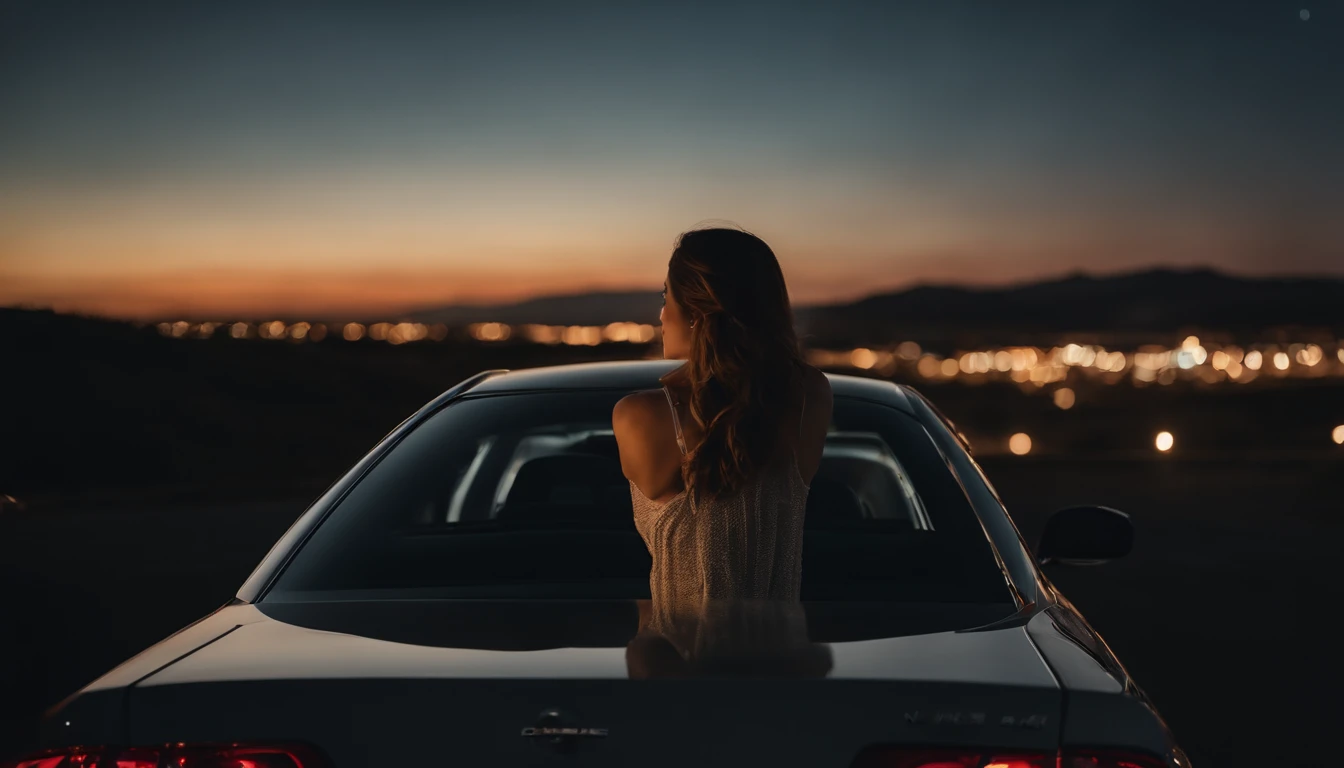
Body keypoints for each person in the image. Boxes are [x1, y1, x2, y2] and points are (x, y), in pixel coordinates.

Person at [612, 227, 833, 604]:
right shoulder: (811, 396)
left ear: (697, 312)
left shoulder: (640, 416)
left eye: (667, 296)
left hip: (676, 658)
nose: (662, 314)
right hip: (780, 657)